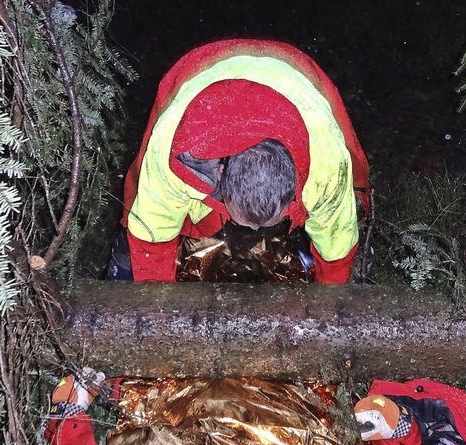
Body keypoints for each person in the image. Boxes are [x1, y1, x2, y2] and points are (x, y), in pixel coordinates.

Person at [110, 39, 369, 284]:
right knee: (141, 207)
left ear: (296, 187)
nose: (256, 231)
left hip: (297, 76)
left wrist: (334, 305)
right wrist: (153, 307)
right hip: (203, 69)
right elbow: (151, 240)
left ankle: (366, 260)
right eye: (246, 222)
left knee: (349, 210)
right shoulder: (173, 152)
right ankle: (120, 268)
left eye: (267, 224)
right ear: (220, 173)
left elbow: (337, 247)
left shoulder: (327, 165)